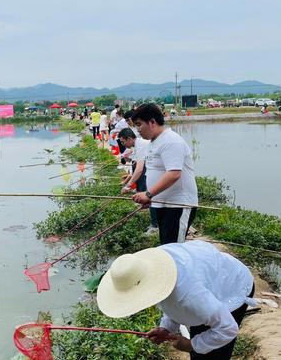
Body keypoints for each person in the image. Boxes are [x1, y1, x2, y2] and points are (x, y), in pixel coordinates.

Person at [96, 241, 254, 359]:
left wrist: (191, 345)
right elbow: (169, 298)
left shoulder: (192, 296)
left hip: (232, 285)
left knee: (213, 354)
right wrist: (166, 328)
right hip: (208, 277)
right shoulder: (155, 267)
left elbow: (228, 329)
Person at [130, 103, 198, 244]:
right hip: (163, 204)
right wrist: (150, 197)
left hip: (178, 205)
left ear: (152, 122)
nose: (137, 130)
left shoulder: (171, 141)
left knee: (174, 249)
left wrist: (148, 194)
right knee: (166, 246)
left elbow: (174, 174)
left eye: (139, 124)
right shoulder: (152, 143)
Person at [117, 127, 158, 233]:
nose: (122, 144)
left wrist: (128, 186)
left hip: (155, 172)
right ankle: (154, 223)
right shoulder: (137, 145)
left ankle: (154, 226)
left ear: (129, 139)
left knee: (151, 196)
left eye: (123, 142)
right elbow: (137, 164)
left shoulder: (141, 144)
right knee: (151, 197)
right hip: (153, 171)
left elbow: (139, 169)